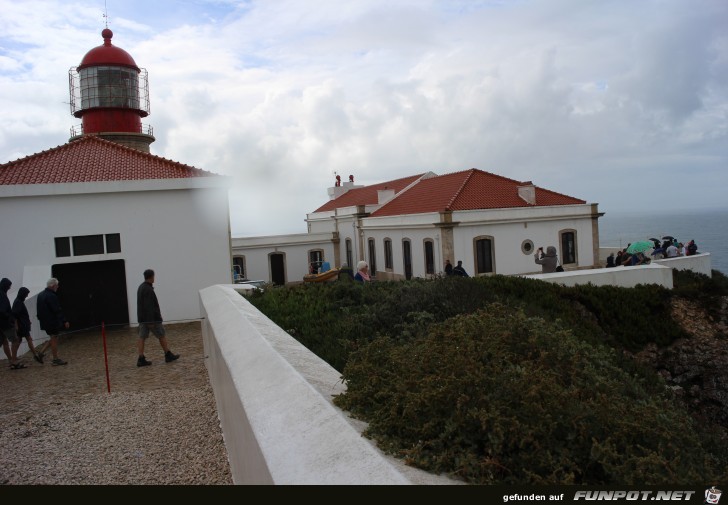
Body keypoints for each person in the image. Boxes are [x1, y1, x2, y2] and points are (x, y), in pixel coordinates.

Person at [136, 269, 179, 367]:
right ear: (151, 277)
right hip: (152, 319)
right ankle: (168, 354)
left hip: (142, 319)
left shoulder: (141, 287)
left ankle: (141, 358)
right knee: (161, 335)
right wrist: (151, 321)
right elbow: (149, 306)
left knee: (141, 337)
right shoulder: (148, 289)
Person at [35, 277, 69, 366]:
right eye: (57, 286)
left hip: (45, 322)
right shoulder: (51, 296)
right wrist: (64, 320)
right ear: (53, 285)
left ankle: (40, 353)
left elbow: (38, 310)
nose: (57, 287)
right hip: (51, 321)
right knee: (54, 338)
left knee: (53, 337)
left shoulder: (41, 295)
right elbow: (57, 310)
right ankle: (55, 359)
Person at [12, 286, 43, 365]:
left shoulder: (19, 301)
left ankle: (14, 357)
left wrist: (27, 320)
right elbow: (15, 315)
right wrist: (16, 326)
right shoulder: (18, 302)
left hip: (23, 324)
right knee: (27, 339)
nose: (27, 296)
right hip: (21, 325)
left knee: (19, 340)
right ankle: (35, 355)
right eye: (26, 294)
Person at [1, 277, 24, 369]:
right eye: (9, 286)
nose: (10, 288)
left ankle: (11, 360)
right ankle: (13, 361)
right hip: (5, 323)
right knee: (15, 340)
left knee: (4, 342)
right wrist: (9, 318)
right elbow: (2, 310)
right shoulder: (2, 295)